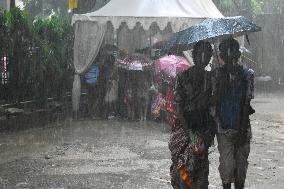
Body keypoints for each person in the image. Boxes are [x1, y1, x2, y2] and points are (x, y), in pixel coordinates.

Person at [169, 41, 216, 189]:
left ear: (210, 57)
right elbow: (178, 108)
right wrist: (189, 132)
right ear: (194, 56)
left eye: (207, 54)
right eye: (200, 54)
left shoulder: (212, 79)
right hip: (185, 130)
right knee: (184, 170)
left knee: (201, 170)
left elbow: (215, 104)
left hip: (204, 129)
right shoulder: (183, 77)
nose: (203, 58)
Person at [214, 38, 255, 189]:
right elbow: (214, 103)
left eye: (233, 52)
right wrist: (221, 85)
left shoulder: (247, 74)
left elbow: (246, 102)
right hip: (223, 128)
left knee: (240, 170)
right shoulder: (217, 75)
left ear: (238, 54)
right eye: (226, 53)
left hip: (242, 127)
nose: (231, 56)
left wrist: (242, 130)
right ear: (222, 56)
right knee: (226, 168)